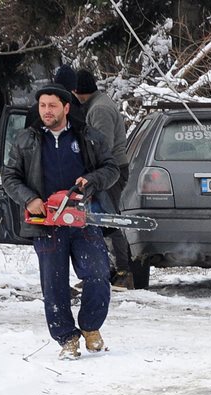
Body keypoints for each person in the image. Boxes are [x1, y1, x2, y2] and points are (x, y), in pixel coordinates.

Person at [2, 83, 119, 360]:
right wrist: (29, 198)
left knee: (98, 273)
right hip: (46, 221)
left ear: (66, 108)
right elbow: (9, 177)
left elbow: (111, 168)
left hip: (83, 218)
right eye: (42, 106)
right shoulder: (26, 140)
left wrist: (91, 181)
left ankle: (91, 327)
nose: (46, 111)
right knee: (54, 284)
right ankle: (67, 337)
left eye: (52, 105)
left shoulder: (88, 137)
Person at [73, 69, 134, 290]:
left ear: (78, 92)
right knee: (98, 218)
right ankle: (105, 271)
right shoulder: (97, 104)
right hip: (105, 171)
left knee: (109, 219)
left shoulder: (99, 110)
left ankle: (123, 272)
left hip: (110, 172)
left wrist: (93, 174)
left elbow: (101, 146)